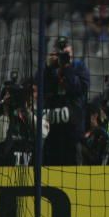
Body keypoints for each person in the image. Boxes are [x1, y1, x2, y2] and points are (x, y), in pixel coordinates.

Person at [42, 36, 90, 166]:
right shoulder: (48, 69)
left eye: (65, 48)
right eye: (59, 49)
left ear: (72, 50)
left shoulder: (80, 67)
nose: (62, 52)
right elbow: (41, 89)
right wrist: (47, 67)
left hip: (73, 135)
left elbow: (79, 89)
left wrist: (67, 67)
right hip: (51, 135)